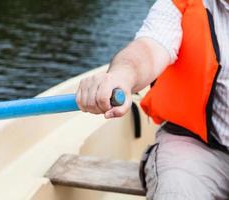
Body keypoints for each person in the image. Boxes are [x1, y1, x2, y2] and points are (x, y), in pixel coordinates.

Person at [76, 0, 229, 199]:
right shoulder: (179, 4)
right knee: (177, 192)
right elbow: (149, 48)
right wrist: (121, 76)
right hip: (196, 146)